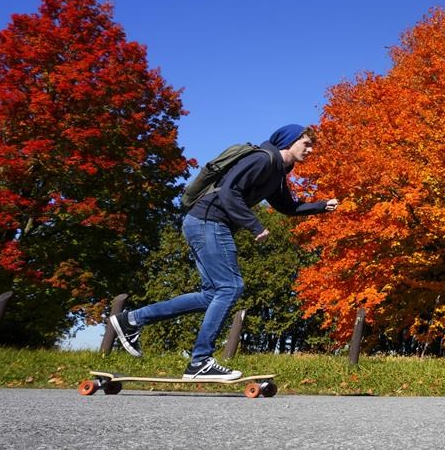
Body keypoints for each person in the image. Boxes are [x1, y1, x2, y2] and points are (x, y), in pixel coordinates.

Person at [109, 124, 339, 380]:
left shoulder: (276, 171)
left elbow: (287, 207)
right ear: (288, 140)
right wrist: (254, 225)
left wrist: (322, 206)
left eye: (312, 146)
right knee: (230, 287)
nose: (310, 150)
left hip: (205, 224)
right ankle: (200, 361)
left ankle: (132, 320)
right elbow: (229, 191)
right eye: (306, 144)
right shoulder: (262, 159)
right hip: (209, 221)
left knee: (212, 295)